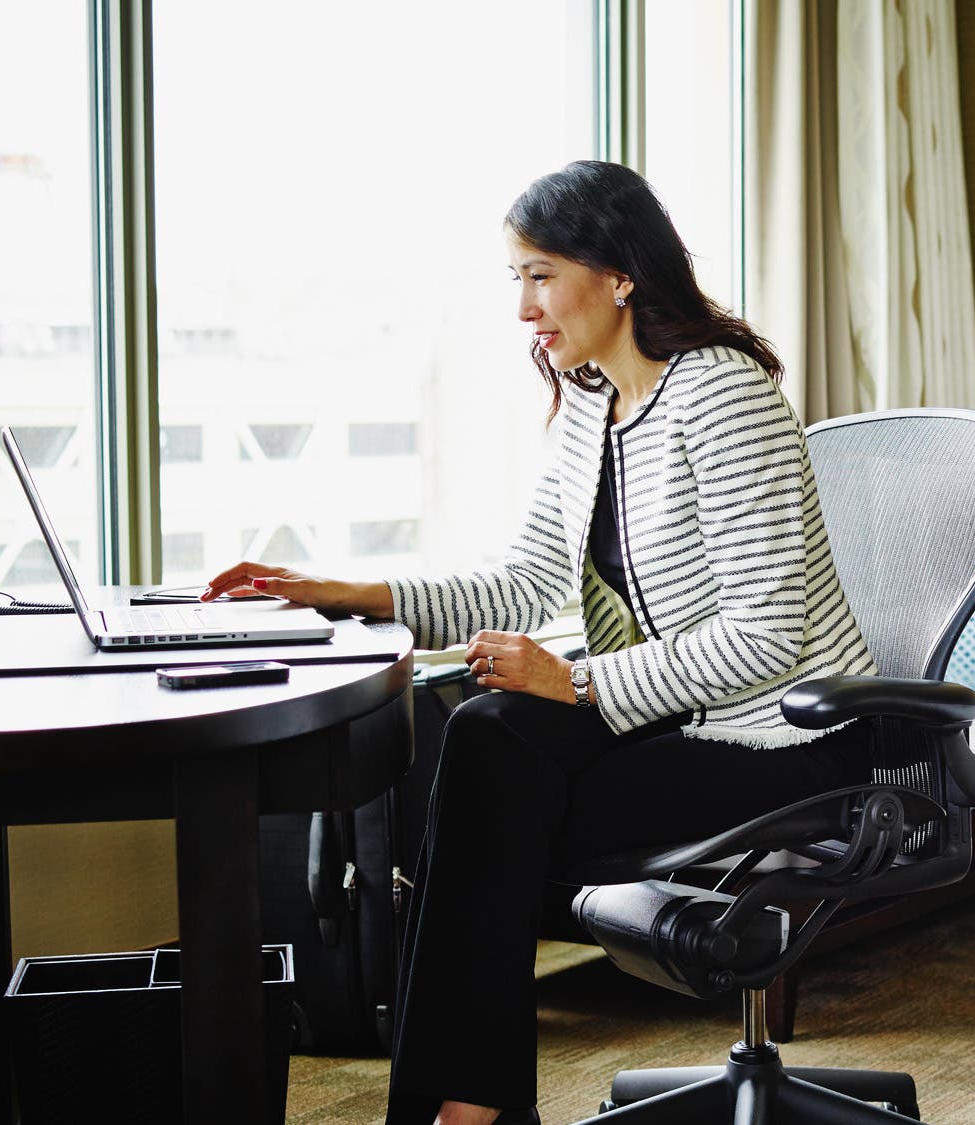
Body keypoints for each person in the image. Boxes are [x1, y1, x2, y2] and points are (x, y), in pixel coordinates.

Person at [200, 160, 879, 1125]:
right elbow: (522, 581)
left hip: (788, 739)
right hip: (677, 715)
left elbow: (768, 632)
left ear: (619, 275)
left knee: (489, 800)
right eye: (515, 280)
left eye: (540, 275)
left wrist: (578, 680)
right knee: (485, 737)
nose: (524, 309)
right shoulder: (591, 402)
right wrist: (349, 591)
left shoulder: (722, 396)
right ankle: (467, 1108)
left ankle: (463, 1110)